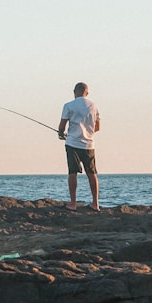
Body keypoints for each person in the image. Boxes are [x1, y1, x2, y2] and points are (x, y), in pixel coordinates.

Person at [58, 82, 101, 211]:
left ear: (74, 91)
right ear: (86, 92)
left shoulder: (68, 106)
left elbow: (62, 126)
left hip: (72, 143)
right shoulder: (93, 106)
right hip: (89, 144)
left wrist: (61, 134)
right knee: (92, 173)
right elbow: (97, 127)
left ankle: (73, 203)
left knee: (72, 172)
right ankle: (95, 203)